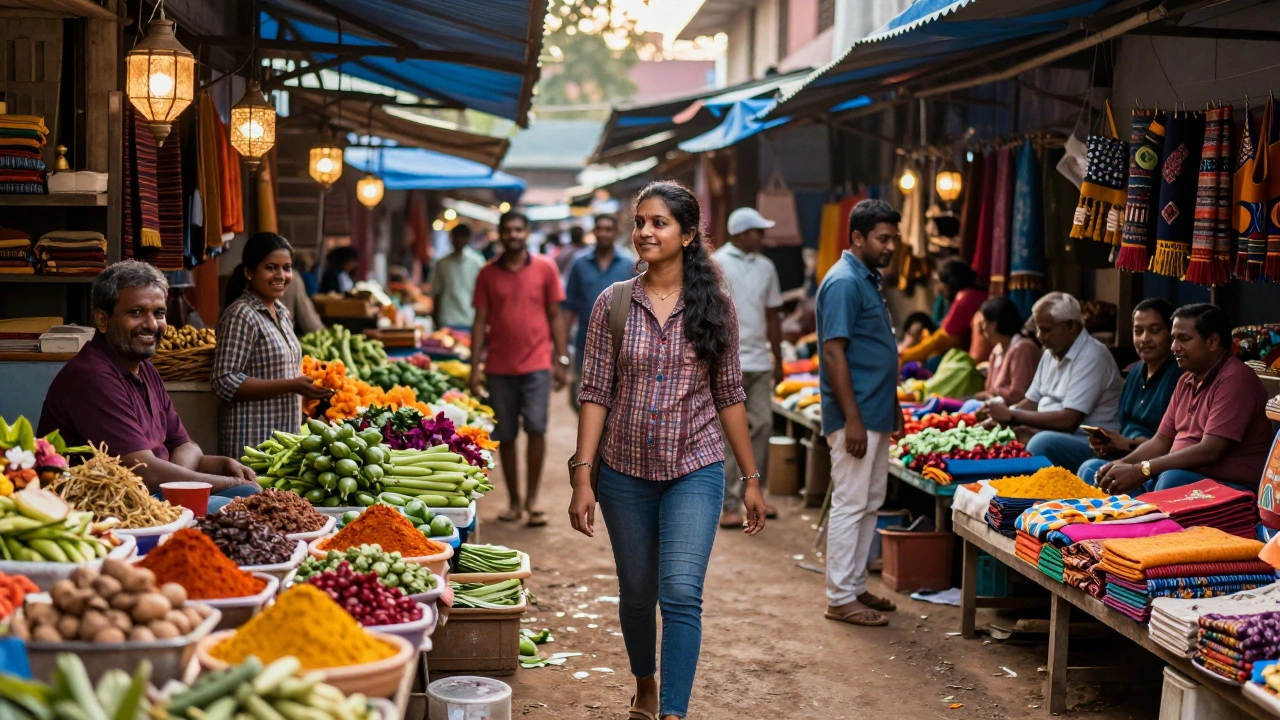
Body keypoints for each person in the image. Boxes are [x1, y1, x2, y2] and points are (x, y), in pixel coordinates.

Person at [567, 181, 766, 720]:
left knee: (680, 593)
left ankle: (673, 711)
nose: (645, 232)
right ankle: (645, 682)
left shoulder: (716, 306)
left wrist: (749, 479)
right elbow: (595, 393)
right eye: (641, 222)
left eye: (659, 223)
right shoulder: (613, 304)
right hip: (624, 473)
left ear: (687, 235)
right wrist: (583, 475)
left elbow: (729, 396)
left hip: (693, 470)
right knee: (637, 594)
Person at [38, 261, 260, 513]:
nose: (152, 325)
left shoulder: (144, 369)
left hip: (149, 492)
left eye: (159, 313)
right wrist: (224, 481)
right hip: (108, 506)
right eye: (136, 312)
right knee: (247, 507)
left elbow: (185, 446)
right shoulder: (91, 376)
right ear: (102, 319)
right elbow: (144, 471)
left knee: (249, 492)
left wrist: (217, 465)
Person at [818, 199, 904, 628]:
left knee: (870, 501)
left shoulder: (867, 279)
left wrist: (893, 408)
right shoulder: (844, 283)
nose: (890, 246)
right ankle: (839, 596)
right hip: (856, 416)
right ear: (857, 238)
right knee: (852, 503)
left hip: (875, 411)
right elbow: (835, 352)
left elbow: (876, 351)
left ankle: (853, 586)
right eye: (882, 238)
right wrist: (851, 418)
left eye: (894, 238)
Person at [1087, 303, 1272, 494]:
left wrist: (1143, 470)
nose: (1174, 347)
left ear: (1213, 342)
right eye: (1174, 338)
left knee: (1172, 479)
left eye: (1184, 339)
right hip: (1176, 477)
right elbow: (1161, 442)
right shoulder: (1186, 379)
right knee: (1094, 470)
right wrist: (1122, 464)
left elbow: (1211, 450)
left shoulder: (1235, 379)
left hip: (1229, 489)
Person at [471, 211, 569, 527]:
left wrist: (561, 359)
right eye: (507, 230)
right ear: (500, 234)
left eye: (518, 229)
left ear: (527, 233)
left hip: (538, 363)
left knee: (537, 428)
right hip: (499, 366)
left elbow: (556, 315)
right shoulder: (487, 273)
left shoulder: (545, 268)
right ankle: (513, 501)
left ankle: (533, 500)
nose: (513, 235)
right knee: (507, 434)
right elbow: (480, 322)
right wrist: (475, 368)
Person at [1021, 299, 1180, 474]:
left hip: (1150, 459)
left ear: (1172, 334)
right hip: (1121, 450)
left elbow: (1169, 441)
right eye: (1138, 331)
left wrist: (1126, 445)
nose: (1145, 339)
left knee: (1086, 467)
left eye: (1155, 331)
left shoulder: (1177, 376)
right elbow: (1124, 425)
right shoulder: (1136, 372)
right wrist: (1108, 442)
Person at [212, 233, 334, 459]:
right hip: (253, 442)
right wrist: (290, 385)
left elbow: (283, 370)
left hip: (284, 437)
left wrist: (309, 384)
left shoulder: (281, 311)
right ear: (249, 272)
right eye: (271, 267)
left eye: (286, 267)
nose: (281, 275)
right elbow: (224, 381)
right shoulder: (241, 315)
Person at [984, 292, 1123, 467]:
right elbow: (1031, 402)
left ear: (1070, 326)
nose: (1040, 336)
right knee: (1002, 434)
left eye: (1046, 329)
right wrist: (999, 417)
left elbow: (1069, 420)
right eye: (1038, 329)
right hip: (1051, 432)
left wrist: (1012, 416)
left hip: (1090, 444)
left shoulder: (1092, 356)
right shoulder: (1050, 351)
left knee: (1040, 442)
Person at [712, 207, 784, 528]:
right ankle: (727, 501)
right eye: (758, 231)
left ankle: (754, 493)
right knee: (730, 432)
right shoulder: (718, 264)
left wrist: (778, 358)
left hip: (759, 360)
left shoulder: (767, 267)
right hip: (728, 362)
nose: (763, 237)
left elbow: (773, 315)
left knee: (764, 425)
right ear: (741, 233)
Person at [563, 214, 634, 412]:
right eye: (600, 229)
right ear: (593, 232)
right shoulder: (580, 264)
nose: (603, 233)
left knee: (618, 402)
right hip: (585, 345)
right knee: (583, 401)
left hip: (622, 348)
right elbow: (569, 308)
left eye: (608, 229)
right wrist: (561, 351)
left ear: (615, 233)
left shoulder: (629, 265)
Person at [899, 259, 987, 363]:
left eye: (938, 282)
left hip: (975, 361)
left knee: (934, 362)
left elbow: (940, 339)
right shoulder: (977, 294)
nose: (938, 287)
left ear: (949, 283)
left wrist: (905, 355)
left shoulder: (965, 298)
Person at [429, 223, 486, 331]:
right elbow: (436, 293)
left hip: (470, 320)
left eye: (463, 237)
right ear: (451, 238)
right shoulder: (442, 263)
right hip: (447, 321)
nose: (459, 240)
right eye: (457, 236)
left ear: (469, 239)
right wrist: (435, 321)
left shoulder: (477, 262)